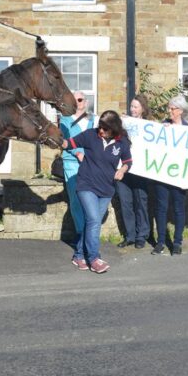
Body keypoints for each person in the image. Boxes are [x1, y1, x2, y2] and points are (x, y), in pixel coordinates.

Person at [61, 110, 132, 274]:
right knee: (93, 220)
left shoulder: (122, 142)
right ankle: (94, 258)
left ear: (114, 129)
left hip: (106, 189)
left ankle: (79, 255)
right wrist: (54, 138)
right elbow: (69, 144)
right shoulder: (90, 135)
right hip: (86, 185)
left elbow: (128, 161)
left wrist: (122, 169)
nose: (100, 130)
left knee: (92, 222)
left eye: (105, 128)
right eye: (100, 126)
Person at [151, 95, 188, 256]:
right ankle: (161, 242)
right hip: (163, 174)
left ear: (180, 111)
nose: (169, 111)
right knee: (161, 208)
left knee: (178, 209)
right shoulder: (163, 126)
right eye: (168, 108)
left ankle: (177, 242)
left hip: (180, 175)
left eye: (172, 109)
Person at [59, 91, 96, 268]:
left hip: (91, 165)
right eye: (74, 100)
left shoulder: (94, 120)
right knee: (76, 202)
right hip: (72, 163)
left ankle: (88, 242)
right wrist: (78, 152)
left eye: (80, 100)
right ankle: (82, 238)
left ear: (86, 102)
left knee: (90, 202)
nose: (78, 102)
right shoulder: (65, 120)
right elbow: (64, 140)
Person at [115, 95, 152, 250]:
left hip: (141, 170)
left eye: (136, 107)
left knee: (141, 202)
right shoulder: (124, 124)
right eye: (131, 106)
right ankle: (130, 235)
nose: (133, 109)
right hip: (124, 169)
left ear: (142, 108)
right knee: (125, 203)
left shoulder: (149, 125)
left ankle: (141, 235)